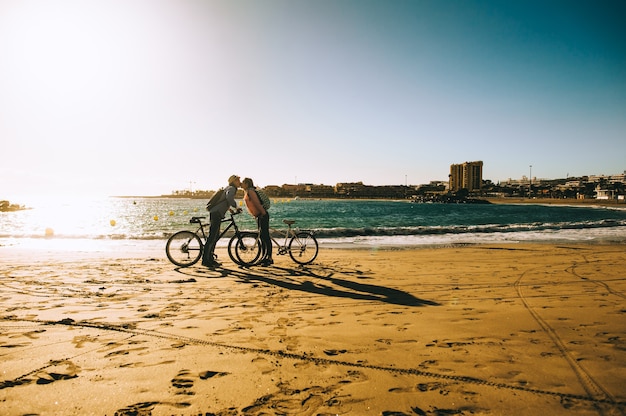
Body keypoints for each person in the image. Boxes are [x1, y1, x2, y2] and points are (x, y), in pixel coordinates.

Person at [202, 174, 241, 267]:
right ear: (233, 181)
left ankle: (210, 258)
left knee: (215, 236)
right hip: (216, 213)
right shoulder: (232, 188)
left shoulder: (228, 187)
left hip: (216, 212)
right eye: (238, 180)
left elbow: (223, 200)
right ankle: (205, 260)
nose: (240, 182)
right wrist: (236, 207)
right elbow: (229, 198)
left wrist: (229, 209)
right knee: (212, 236)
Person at [241, 177, 273, 266]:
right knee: (262, 237)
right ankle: (264, 257)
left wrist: (262, 213)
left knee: (265, 236)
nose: (241, 184)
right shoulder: (249, 191)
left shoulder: (251, 191)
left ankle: (269, 258)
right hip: (260, 215)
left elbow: (256, 203)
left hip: (262, 215)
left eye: (243, 183)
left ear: (247, 184)